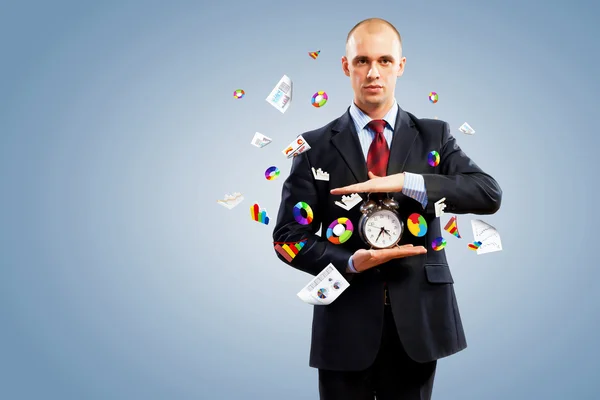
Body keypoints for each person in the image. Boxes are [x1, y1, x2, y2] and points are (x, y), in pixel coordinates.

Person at [272, 17, 502, 400]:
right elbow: (287, 237)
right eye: (362, 61)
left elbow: (487, 194)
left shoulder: (434, 135)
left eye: (384, 60)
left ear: (401, 65)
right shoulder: (313, 146)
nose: (373, 72)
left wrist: (408, 181)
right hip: (344, 323)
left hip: (419, 321)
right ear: (346, 67)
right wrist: (348, 261)